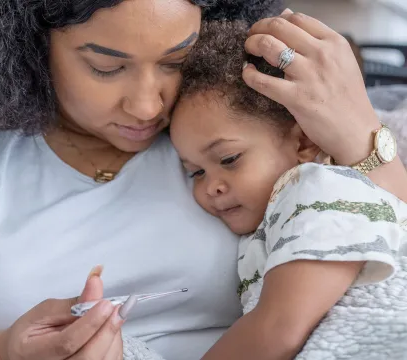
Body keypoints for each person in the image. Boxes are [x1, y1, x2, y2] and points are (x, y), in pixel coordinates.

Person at [0, 1, 406, 359]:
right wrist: (2, 352)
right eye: (107, 67)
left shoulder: (233, 122)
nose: (148, 106)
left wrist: (362, 131)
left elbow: (381, 227)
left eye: (176, 61)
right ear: (24, 45)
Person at [170, 20, 406, 360]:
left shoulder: (320, 191)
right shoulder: (276, 217)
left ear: (304, 142)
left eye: (229, 159)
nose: (211, 187)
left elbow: (278, 330)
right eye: (195, 173)